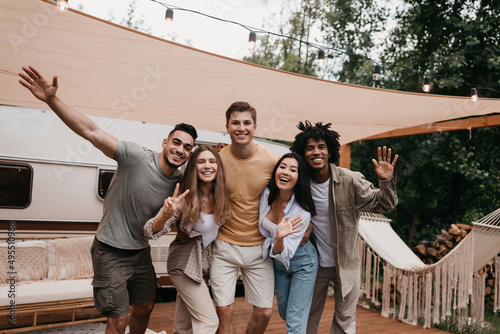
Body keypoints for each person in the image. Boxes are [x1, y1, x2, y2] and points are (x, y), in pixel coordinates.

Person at [18, 66, 198, 334]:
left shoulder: (180, 182)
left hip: (139, 251)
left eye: (187, 147)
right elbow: (92, 132)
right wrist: (52, 100)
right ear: (165, 142)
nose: (181, 150)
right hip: (110, 249)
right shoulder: (135, 157)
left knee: (146, 306)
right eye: (177, 142)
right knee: (118, 319)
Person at [290, 121, 398, 334]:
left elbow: (384, 205)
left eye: (321, 147)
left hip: (346, 264)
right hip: (313, 263)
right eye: (309, 148)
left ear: (330, 151)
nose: (316, 152)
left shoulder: (350, 180)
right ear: (303, 154)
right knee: (307, 317)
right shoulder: (298, 182)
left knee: (345, 321)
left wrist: (385, 181)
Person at [144, 145, 230, 334]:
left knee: (183, 328)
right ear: (193, 167)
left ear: (219, 166)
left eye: (212, 161)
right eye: (201, 162)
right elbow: (150, 231)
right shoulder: (185, 199)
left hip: (203, 268)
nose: (207, 166)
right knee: (208, 322)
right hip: (184, 266)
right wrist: (165, 215)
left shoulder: (221, 197)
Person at [210, 101, 279, 334]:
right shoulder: (217, 158)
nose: (241, 128)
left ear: (255, 126)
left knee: (264, 312)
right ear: (227, 127)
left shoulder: (272, 161)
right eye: (235, 123)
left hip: (259, 247)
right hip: (224, 244)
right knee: (224, 311)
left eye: (246, 123)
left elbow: (290, 195)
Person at [259, 153, 318, 334]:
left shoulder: (302, 211)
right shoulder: (267, 194)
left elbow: (286, 253)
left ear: (299, 178)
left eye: (293, 170)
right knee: (285, 312)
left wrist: (279, 237)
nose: (286, 172)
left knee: (294, 321)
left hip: (302, 262)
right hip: (278, 264)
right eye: (282, 167)